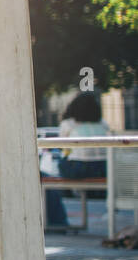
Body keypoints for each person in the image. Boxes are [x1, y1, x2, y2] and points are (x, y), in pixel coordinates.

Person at [45, 91, 110, 227]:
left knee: (61, 158)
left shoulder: (69, 124)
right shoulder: (103, 124)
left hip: (78, 168)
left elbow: (63, 147)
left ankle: (66, 197)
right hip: (105, 168)